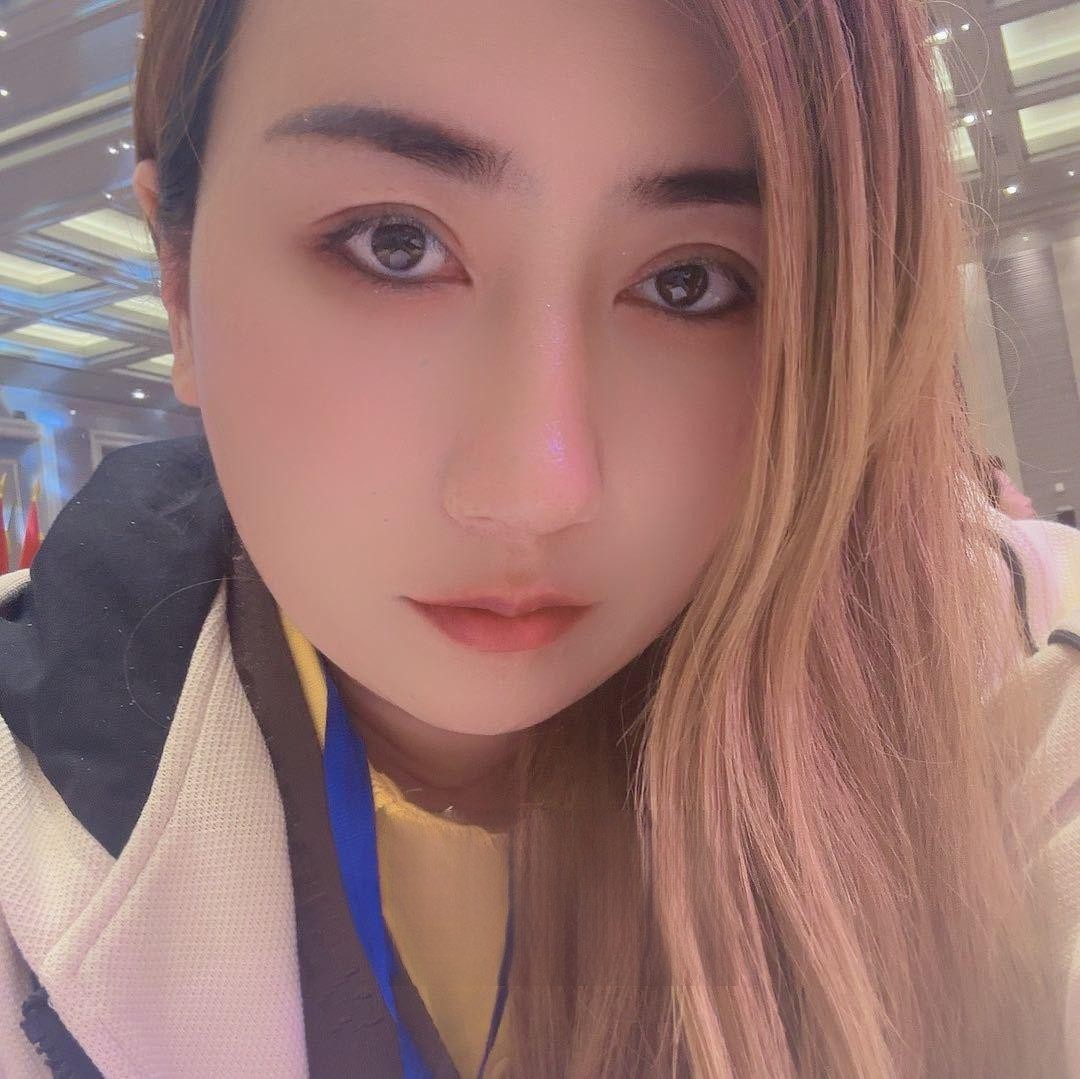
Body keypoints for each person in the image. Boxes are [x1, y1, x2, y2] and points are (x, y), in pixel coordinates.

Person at [1, 1, 1078, 1076]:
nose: (536, 490)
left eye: (689, 282)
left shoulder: (1009, 687)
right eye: (396, 244)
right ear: (177, 278)